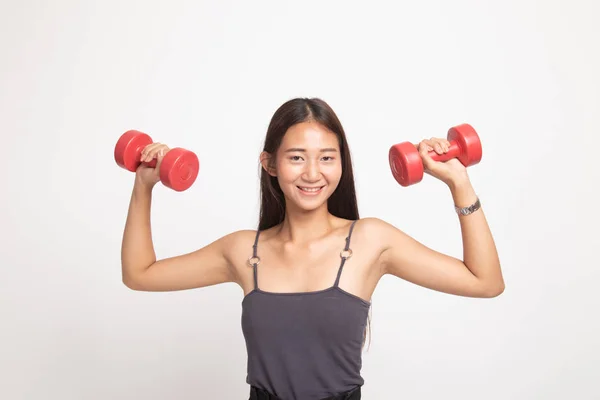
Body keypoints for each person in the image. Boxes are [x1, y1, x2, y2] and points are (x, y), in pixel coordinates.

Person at [120, 97, 505, 400]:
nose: (312, 173)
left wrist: (459, 183)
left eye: (326, 158)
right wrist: (144, 185)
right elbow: (140, 274)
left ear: (341, 164)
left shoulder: (370, 241)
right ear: (269, 164)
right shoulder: (243, 251)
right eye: (296, 157)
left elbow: (485, 282)